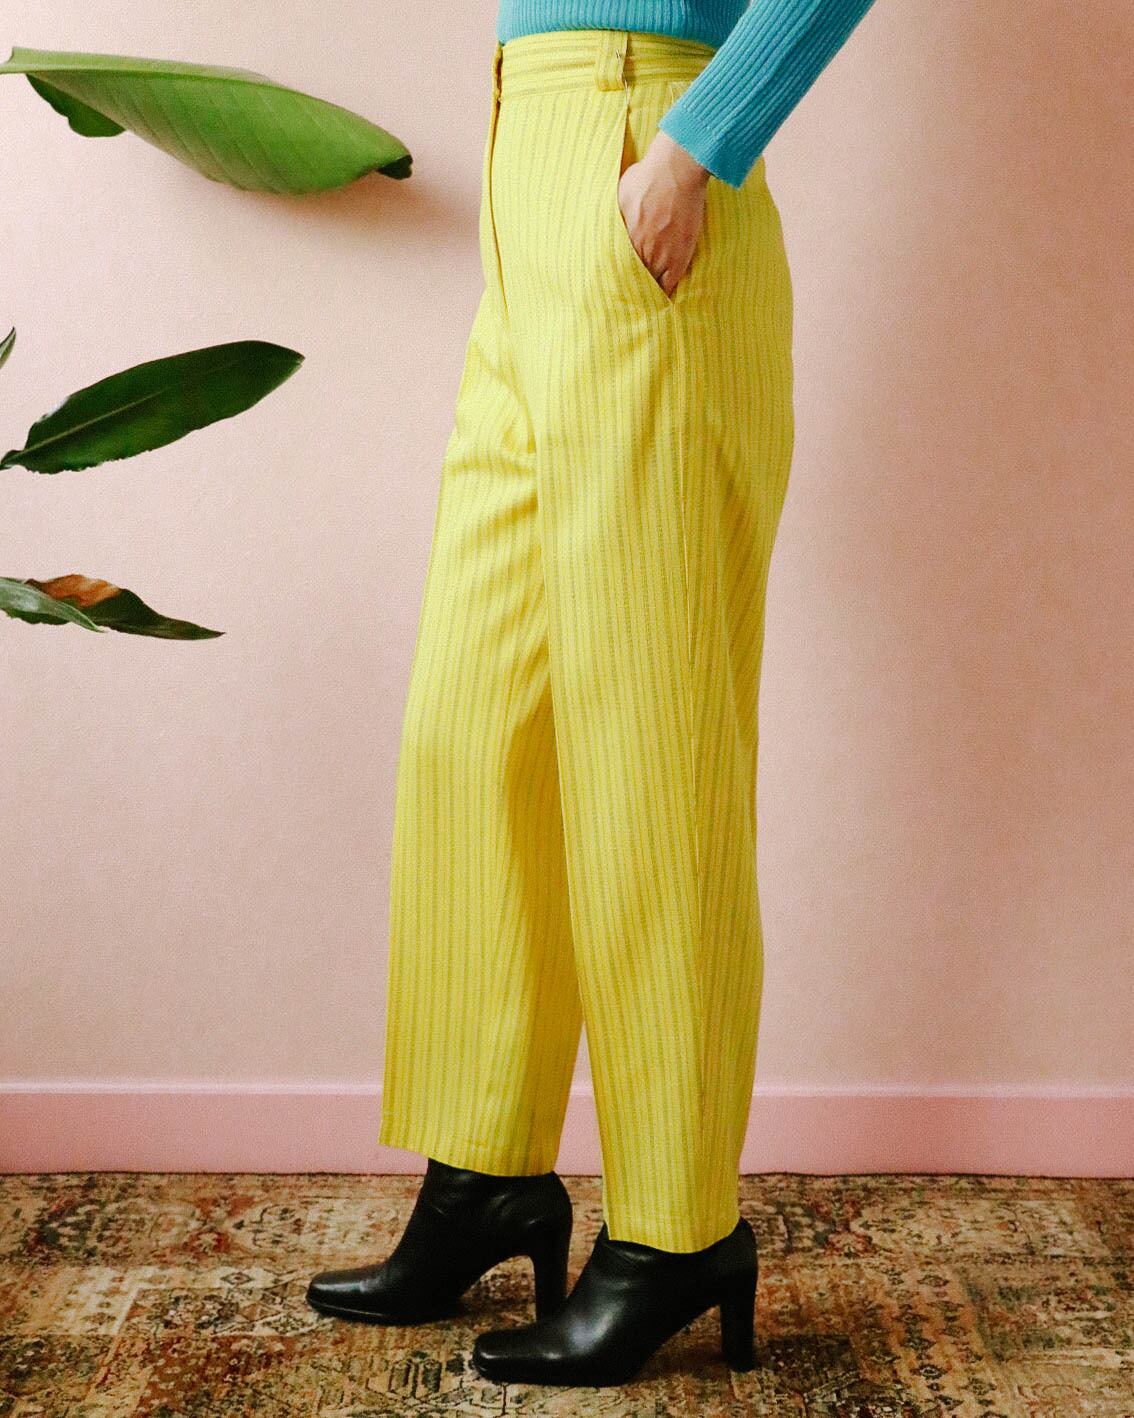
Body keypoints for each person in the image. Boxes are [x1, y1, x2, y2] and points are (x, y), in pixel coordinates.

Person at [308, 0, 878, 1388]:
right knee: (474, 727)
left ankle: (677, 1229)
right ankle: (487, 1174)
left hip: (645, 151)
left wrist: (695, 146)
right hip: (534, 167)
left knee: (651, 757)